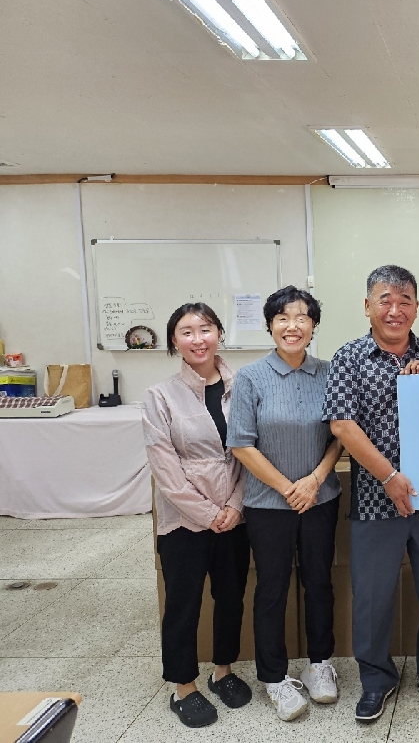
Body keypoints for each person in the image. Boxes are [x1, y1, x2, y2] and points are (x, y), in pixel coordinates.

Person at [323, 264, 419, 723]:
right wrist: (388, 476)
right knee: (372, 596)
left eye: (405, 301)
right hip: (375, 499)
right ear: (367, 306)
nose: (395, 309)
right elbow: (343, 424)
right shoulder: (348, 358)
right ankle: (376, 680)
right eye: (385, 299)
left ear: (417, 308)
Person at [228, 286, 343, 722]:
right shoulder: (251, 378)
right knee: (272, 589)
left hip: (321, 497)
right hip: (266, 504)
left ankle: (320, 665)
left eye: (301, 318)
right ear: (270, 325)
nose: (292, 326)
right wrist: (287, 487)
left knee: (320, 582)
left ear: (313, 326)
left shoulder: (330, 373)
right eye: (282, 318)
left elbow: (338, 435)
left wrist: (313, 481)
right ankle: (274, 678)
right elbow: (241, 444)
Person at [143, 303, 252, 728]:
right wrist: (209, 513)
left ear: (219, 333)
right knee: (183, 604)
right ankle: (183, 686)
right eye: (186, 331)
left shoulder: (242, 386)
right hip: (185, 521)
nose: (197, 339)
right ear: (174, 341)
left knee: (230, 596)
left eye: (205, 329)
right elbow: (165, 469)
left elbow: (251, 454)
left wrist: (235, 507)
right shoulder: (159, 396)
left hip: (235, 516)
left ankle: (222, 670)